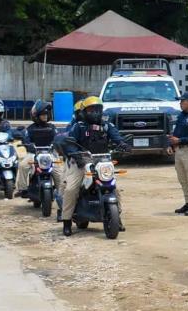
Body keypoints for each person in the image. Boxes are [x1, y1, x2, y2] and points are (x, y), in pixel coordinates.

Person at [57, 96, 129, 236]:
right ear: (84, 112)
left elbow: (116, 137)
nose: (95, 113)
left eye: (97, 109)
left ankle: (117, 219)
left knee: (114, 188)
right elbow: (70, 143)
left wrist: (122, 145)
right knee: (71, 188)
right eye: (91, 110)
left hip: (102, 163)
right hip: (82, 163)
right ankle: (66, 221)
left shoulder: (107, 126)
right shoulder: (79, 126)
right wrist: (74, 153)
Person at [16, 100, 63, 215]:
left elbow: (57, 138)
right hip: (34, 154)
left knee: (59, 172)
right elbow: (26, 140)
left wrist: (58, 143)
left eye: (46, 114)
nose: (45, 117)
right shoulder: (30, 129)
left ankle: (61, 193)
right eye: (42, 115)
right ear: (36, 116)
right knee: (23, 165)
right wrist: (28, 145)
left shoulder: (52, 128)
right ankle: (22, 189)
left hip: (50, 155)